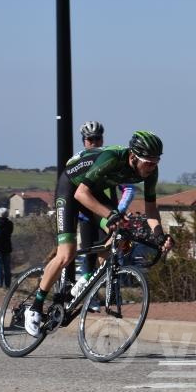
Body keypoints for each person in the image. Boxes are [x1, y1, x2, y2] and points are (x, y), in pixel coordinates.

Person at [24, 131, 173, 337]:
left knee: (120, 237)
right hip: (72, 188)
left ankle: (85, 280)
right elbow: (80, 194)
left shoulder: (150, 172)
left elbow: (151, 210)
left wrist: (160, 236)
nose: (152, 167)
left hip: (93, 193)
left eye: (156, 162)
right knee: (66, 253)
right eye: (148, 162)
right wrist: (110, 215)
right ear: (133, 156)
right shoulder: (112, 158)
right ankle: (35, 307)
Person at [71, 121, 136, 307]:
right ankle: (83, 291)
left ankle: (91, 291)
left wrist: (118, 212)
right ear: (84, 141)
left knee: (104, 252)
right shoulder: (80, 160)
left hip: (105, 215)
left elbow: (129, 189)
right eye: (90, 139)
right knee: (88, 254)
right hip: (84, 215)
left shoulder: (109, 159)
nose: (94, 142)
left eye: (97, 138)